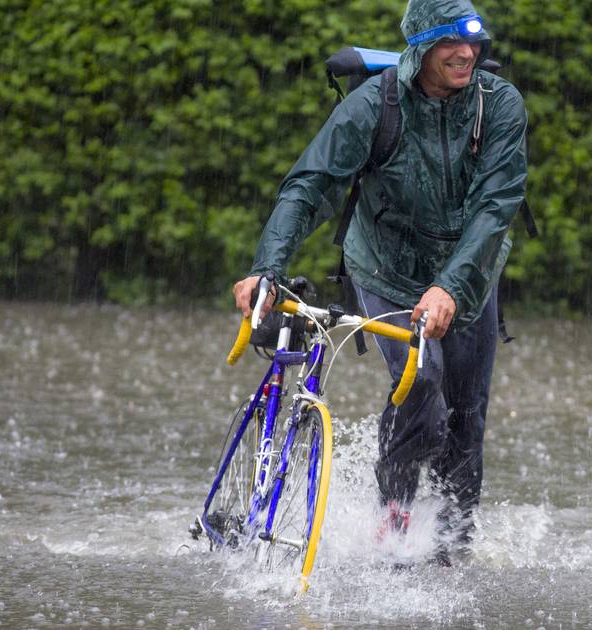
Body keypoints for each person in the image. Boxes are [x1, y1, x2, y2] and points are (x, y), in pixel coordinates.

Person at [231, 0, 527, 566]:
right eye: (449, 43)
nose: (466, 53)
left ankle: (451, 553)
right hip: (386, 270)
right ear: (421, 48)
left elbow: (496, 206)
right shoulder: (376, 105)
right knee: (422, 381)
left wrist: (450, 287)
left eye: (473, 43)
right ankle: (392, 524)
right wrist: (266, 266)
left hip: (470, 271)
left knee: (467, 415)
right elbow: (309, 186)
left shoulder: (501, 105)